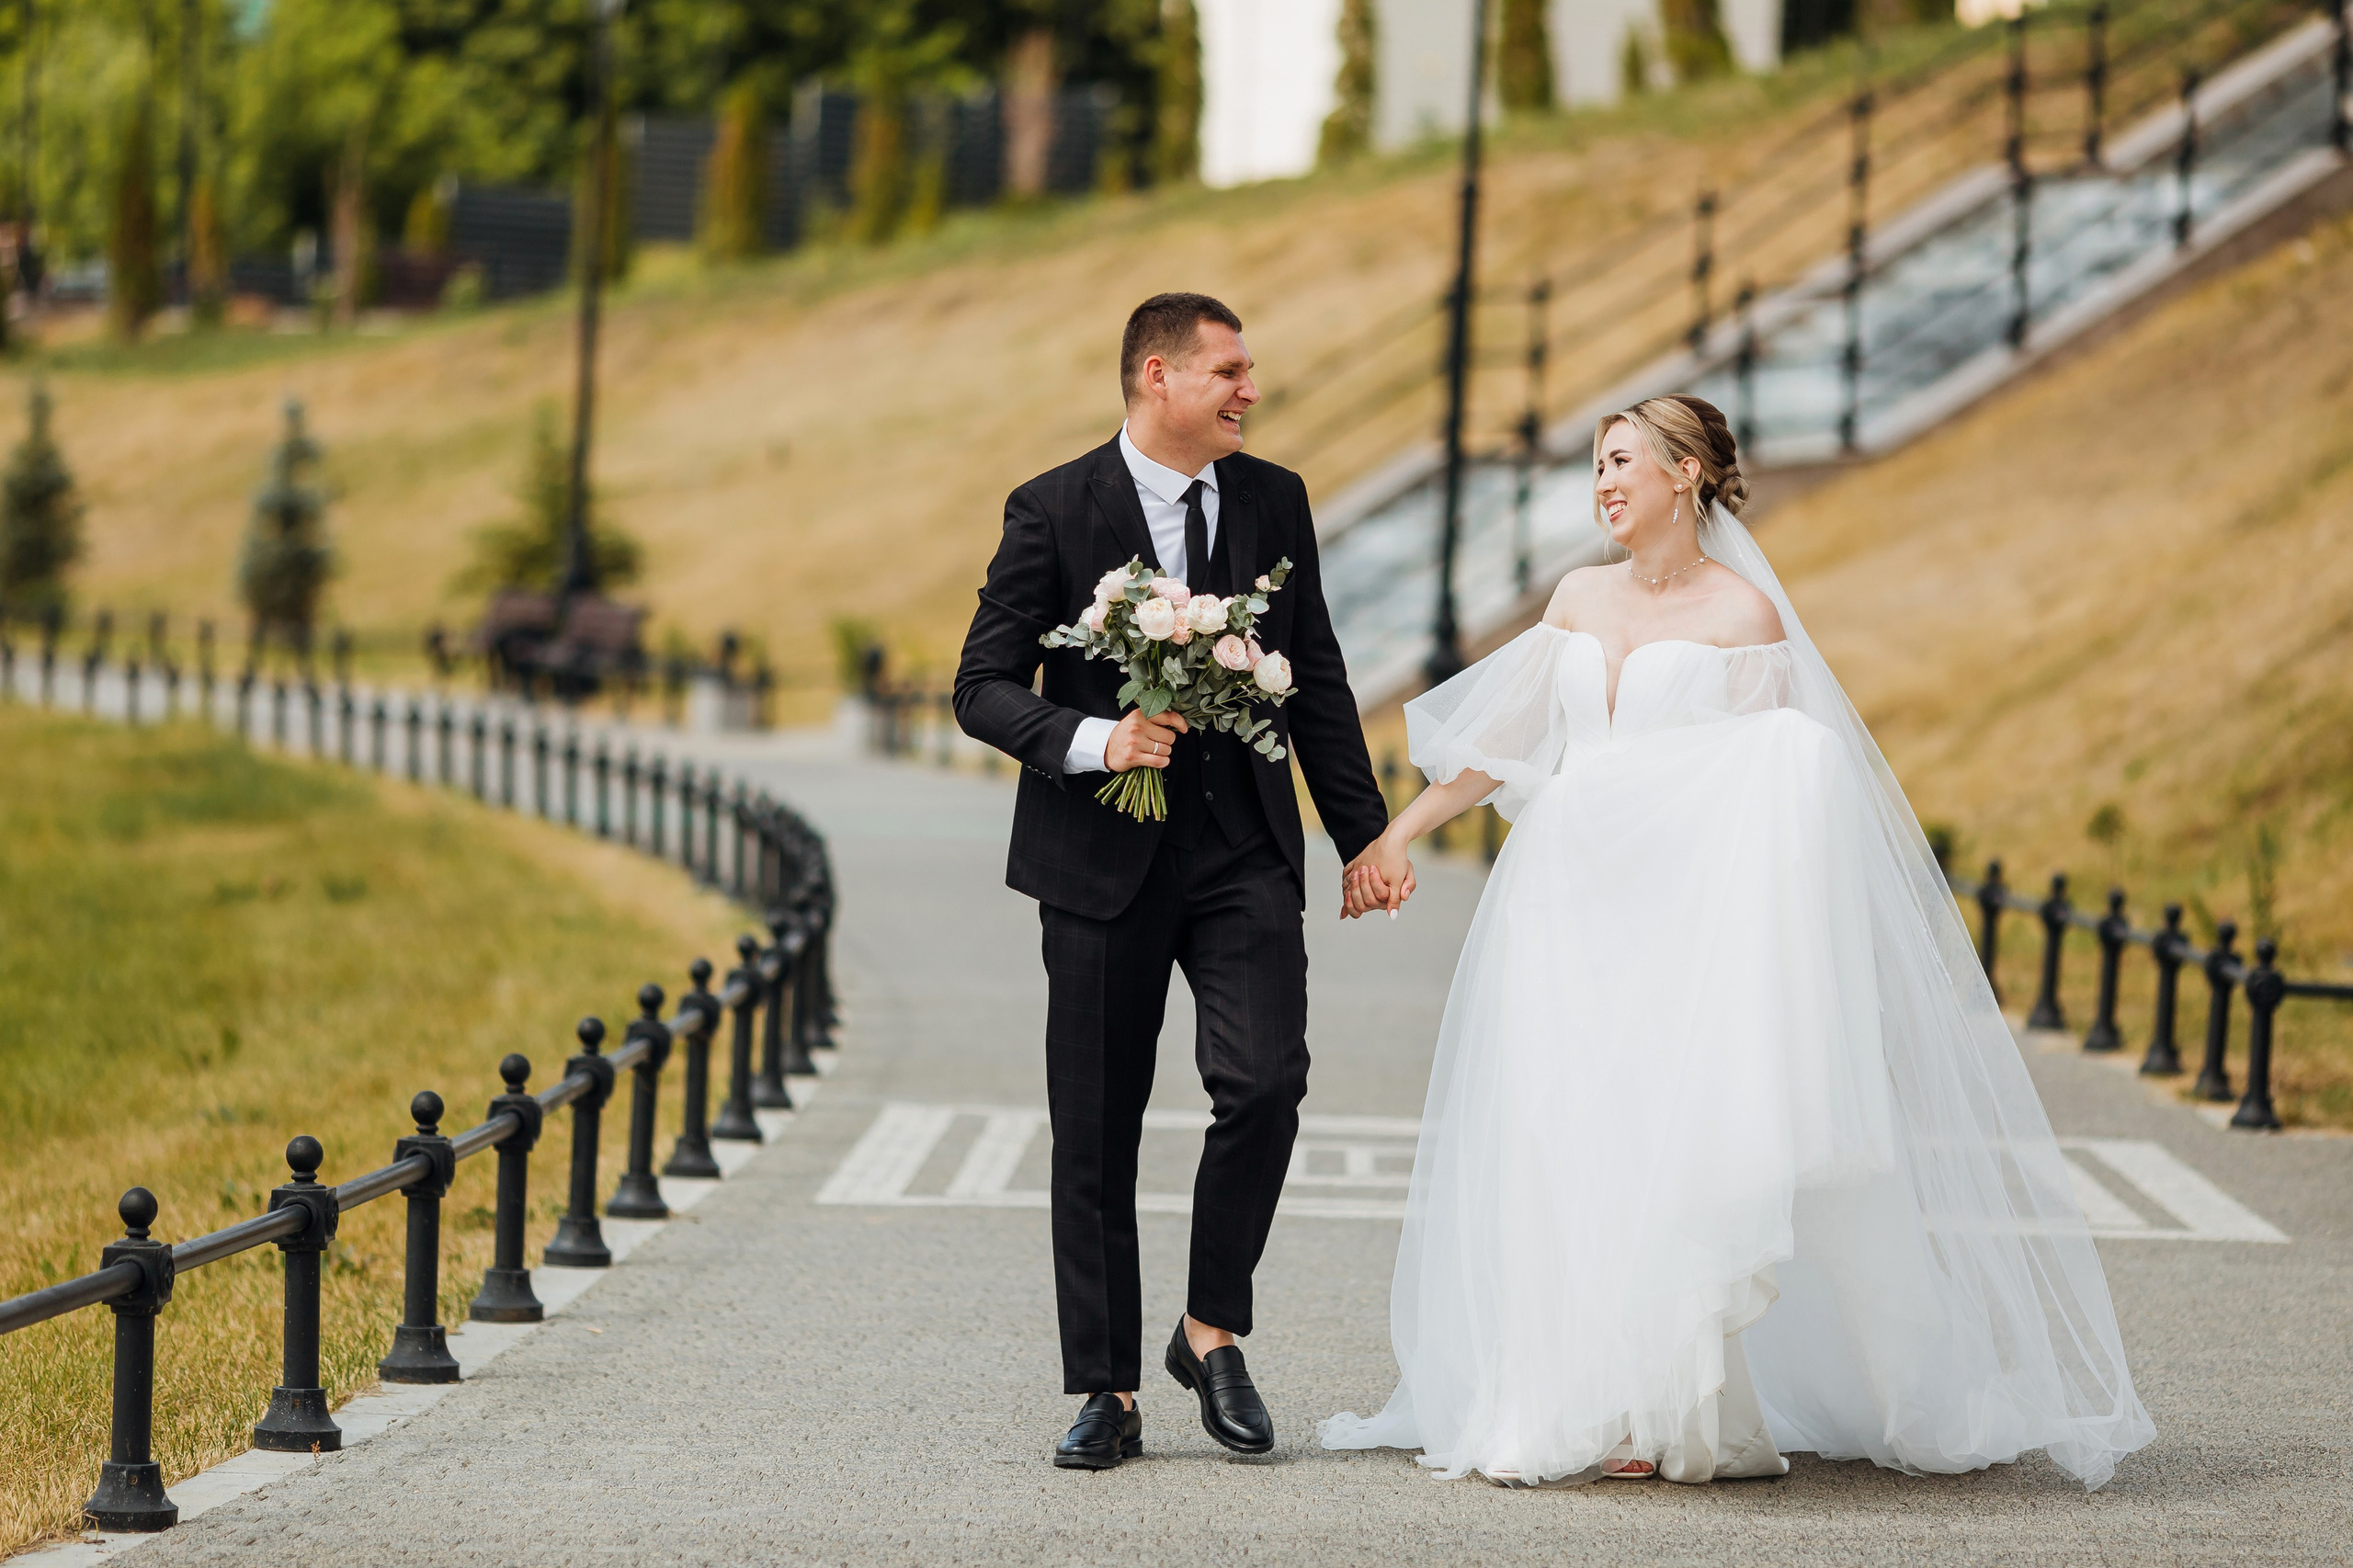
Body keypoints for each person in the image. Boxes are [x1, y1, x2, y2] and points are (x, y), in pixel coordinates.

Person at [1320, 394, 2154, 1489]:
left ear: (1685, 473)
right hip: (1561, 902)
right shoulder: (1576, 597)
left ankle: (1659, 1402)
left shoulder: (1744, 616)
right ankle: (1568, 1392)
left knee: (1664, 1146)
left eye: (1621, 461)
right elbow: (1505, 740)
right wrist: (1394, 835)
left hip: (1681, 922)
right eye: (1596, 466)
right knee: (1561, 1133)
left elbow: (1785, 796)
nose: (1603, 483)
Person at [954, 292, 1391, 1471]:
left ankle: (1209, 1330)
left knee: (1266, 1081)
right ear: (1159, 375)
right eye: (1229, 371)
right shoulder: (1053, 507)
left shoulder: (1273, 498)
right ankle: (1106, 1387)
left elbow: (1316, 675)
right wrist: (1099, 741)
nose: (1251, 389)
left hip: (1242, 848)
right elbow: (980, 685)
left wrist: (1363, 835)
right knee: (1096, 1126)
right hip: (1097, 861)